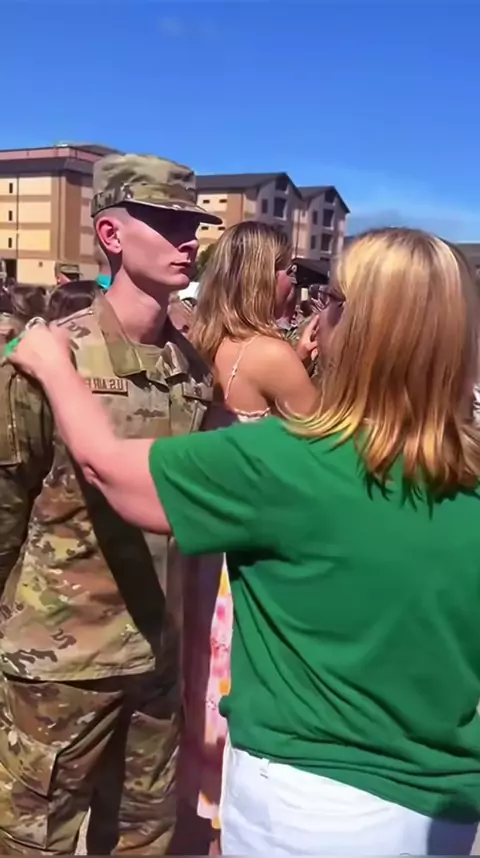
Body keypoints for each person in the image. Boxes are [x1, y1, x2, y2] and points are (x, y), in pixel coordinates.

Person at [7, 227, 480, 857]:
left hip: (306, 804)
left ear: (360, 328)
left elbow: (108, 469)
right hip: (440, 811)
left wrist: (52, 366)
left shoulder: (289, 463)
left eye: (332, 300)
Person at [0, 151, 219, 855]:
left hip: (154, 663)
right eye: (166, 223)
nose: (187, 240)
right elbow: (6, 506)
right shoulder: (49, 360)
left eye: (191, 225)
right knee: (34, 844)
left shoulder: (193, 370)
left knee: (144, 840)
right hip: (59, 666)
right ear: (112, 235)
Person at [185, 221, 318, 848]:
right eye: (288, 268)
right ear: (264, 276)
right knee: (232, 676)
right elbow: (322, 445)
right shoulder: (270, 354)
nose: (295, 281)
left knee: (198, 677)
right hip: (249, 552)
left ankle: (196, 807)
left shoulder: (198, 339)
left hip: (201, 542)